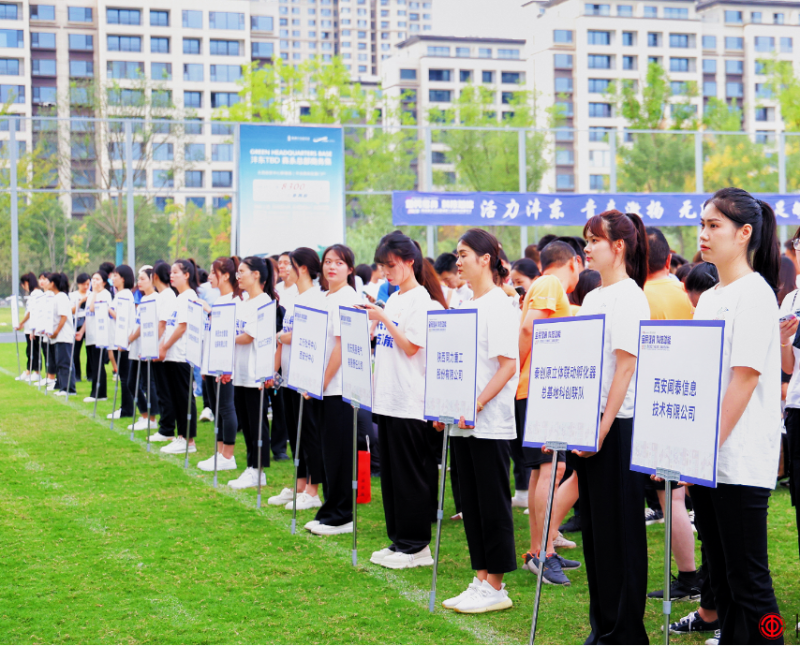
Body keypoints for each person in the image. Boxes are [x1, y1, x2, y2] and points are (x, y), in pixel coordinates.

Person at [692, 187, 784, 644]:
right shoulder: (710, 296)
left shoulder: (756, 294)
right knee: (724, 576)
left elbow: (744, 379)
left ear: (744, 233)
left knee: (750, 581)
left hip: (739, 460)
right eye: (702, 225)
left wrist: (704, 449)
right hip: (707, 460)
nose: (704, 234)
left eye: (715, 225)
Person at [573, 209, 651, 643]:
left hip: (617, 428)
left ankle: (625, 631)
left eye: (594, 240)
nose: (587, 248)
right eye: (586, 240)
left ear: (618, 246)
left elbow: (625, 368)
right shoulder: (594, 297)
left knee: (621, 533)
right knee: (596, 532)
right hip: (591, 426)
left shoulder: (630, 297)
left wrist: (601, 430)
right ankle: (602, 625)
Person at [437, 228, 518, 614]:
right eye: (457, 254)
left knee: (491, 503)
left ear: (486, 259)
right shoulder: (466, 303)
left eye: (464, 253)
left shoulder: (499, 305)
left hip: (488, 422)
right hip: (462, 420)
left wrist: (478, 404)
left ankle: (496, 585)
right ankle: (481, 577)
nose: (458, 261)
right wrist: (444, 407)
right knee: (470, 502)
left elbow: (507, 365)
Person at [364, 232, 447, 569]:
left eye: (391, 265)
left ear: (409, 262)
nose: (386, 271)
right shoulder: (396, 298)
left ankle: (416, 546)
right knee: (392, 477)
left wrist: (382, 317)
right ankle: (399, 540)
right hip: (387, 399)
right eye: (382, 266)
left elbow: (412, 347)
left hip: (411, 401)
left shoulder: (422, 301)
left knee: (411, 476)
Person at [516, 241, 582, 586]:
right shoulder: (551, 282)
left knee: (543, 471)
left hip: (539, 388)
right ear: (574, 262)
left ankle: (538, 550)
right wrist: (518, 370)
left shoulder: (546, 286)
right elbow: (529, 329)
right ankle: (544, 553)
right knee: (552, 469)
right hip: (538, 388)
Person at [642, 227, 701, 603]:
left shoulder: (639, 296)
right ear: (668, 259)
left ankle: (690, 578)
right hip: (683, 400)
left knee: (670, 498)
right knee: (674, 498)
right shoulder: (684, 293)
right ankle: (692, 578)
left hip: (654, 406)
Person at [305, 244, 360, 536]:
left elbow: (341, 346)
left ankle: (342, 515)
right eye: (328, 261)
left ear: (349, 269)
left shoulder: (347, 298)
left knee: (339, 454)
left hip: (339, 388)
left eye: (339, 262)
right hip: (322, 387)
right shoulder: (325, 297)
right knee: (327, 452)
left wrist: (322, 381)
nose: (332, 267)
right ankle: (330, 510)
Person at [269, 247, 326, 510]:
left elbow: (304, 333)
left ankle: (313, 491)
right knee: (296, 433)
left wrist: (281, 336)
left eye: (288, 264)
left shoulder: (315, 298)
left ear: (301, 268)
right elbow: (286, 335)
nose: (283, 268)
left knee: (310, 434)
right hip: (291, 376)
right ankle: (300, 485)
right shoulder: (294, 297)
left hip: (307, 378)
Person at [227, 256, 279, 488]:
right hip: (241, 371)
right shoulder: (245, 302)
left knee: (257, 423)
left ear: (256, 274)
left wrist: (225, 338)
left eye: (242, 271)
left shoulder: (264, 302)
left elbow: (249, 336)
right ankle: (251, 467)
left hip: (255, 373)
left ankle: (258, 470)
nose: (238, 276)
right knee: (246, 423)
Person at [197, 257, 241, 474]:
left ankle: (228, 455)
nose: (210, 277)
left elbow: (230, 334)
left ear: (225, 276)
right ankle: (220, 452)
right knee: (217, 408)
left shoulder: (234, 301)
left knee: (226, 407)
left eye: (214, 273)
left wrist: (209, 311)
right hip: (212, 362)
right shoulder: (221, 300)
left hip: (225, 365)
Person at [157, 259, 199, 456]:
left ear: (187, 275)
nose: (171, 275)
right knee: (176, 397)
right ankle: (181, 436)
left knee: (184, 398)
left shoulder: (188, 296)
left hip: (181, 355)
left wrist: (164, 346)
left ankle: (188, 439)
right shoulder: (178, 297)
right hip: (172, 355)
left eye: (176, 272)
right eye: (171, 272)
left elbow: (182, 327)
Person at [126, 267, 160, 432]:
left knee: (148, 383)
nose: (139, 282)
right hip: (137, 347)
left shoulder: (155, 299)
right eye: (138, 279)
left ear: (152, 279)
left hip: (147, 347)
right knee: (132, 382)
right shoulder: (143, 299)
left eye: (143, 279)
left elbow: (147, 325)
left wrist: (130, 338)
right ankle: (145, 415)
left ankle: (151, 418)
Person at [148, 261, 178, 442]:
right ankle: (165, 427)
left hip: (162, 349)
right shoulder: (163, 295)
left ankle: (167, 429)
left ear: (155, 276)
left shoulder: (167, 295)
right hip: (160, 347)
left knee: (165, 391)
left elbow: (162, 324)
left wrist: (154, 347)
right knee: (162, 389)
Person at [107, 265, 137, 421]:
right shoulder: (121, 294)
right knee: (124, 377)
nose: (113, 278)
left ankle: (127, 409)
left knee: (125, 378)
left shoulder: (124, 295)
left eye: (116, 276)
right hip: (121, 341)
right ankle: (126, 408)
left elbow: (122, 318)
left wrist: (108, 309)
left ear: (123, 278)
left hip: (124, 343)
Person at [83, 270, 112, 403]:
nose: (94, 281)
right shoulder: (91, 295)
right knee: (93, 365)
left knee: (98, 365)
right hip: (90, 335)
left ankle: (100, 393)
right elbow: (88, 313)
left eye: (97, 279)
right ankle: (95, 392)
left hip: (99, 335)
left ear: (104, 282)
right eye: (93, 279)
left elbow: (93, 308)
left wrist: (94, 292)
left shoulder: (105, 294)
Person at [48, 273, 76, 396]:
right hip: (58, 336)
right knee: (60, 362)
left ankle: (69, 389)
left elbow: (64, 316)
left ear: (53, 283)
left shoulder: (61, 297)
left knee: (65, 362)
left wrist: (56, 331)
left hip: (63, 335)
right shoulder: (56, 297)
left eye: (49, 281)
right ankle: (62, 386)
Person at [15, 273, 43, 383]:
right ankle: (31, 371)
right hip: (29, 327)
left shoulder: (36, 294)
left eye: (23, 286)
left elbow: (31, 312)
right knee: (30, 350)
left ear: (26, 283)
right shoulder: (33, 294)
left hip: (34, 327)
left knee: (33, 350)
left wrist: (21, 323)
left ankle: (34, 372)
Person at [70, 273, 90, 382]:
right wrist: (81, 301)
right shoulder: (73, 295)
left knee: (90, 350)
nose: (86, 287)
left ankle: (90, 374)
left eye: (88, 284)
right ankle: (77, 375)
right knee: (75, 351)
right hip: (77, 323)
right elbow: (72, 311)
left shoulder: (91, 294)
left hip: (89, 323)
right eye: (83, 284)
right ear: (78, 284)